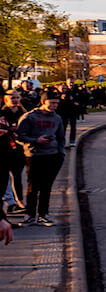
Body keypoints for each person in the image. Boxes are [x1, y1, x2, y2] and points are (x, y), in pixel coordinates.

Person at [16, 89, 66, 226]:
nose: (55, 106)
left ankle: (43, 214)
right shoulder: (29, 117)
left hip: (53, 156)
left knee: (47, 187)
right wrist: (36, 140)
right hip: (34, 156)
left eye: (57, 103)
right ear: (44, 102)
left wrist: (61, 154)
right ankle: (30, 215)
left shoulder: (57, 118)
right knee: (33, 187)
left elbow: (61, 137)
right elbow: (19, 137)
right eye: (53, 103)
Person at [2, 90, 27, 215]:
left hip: (19, 148)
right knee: (5, 178)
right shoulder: (2, 113)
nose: (15, 100)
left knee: (17, 176)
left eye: (17, 97)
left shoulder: (23, 113)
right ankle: (9, 203)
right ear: (6, 99)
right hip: (4, 147)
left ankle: (19, 201)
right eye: (12, 97)